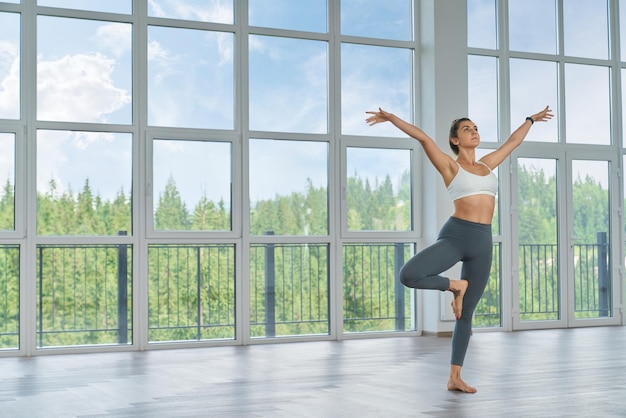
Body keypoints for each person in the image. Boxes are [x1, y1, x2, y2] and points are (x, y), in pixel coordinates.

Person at [365, 105, 553, 393]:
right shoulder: (450, 166)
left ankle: (455, 377)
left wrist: (530, 120)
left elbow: (513, 142)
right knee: (409, 275)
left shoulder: (488, 164)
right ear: (455, 140)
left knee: (466, 315)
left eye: (476, 128)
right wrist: (392, 119)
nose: (474, 131)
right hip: (456, 235)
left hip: (483, 240)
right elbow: (424, 139)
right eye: (467, 129)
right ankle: (454, 286)